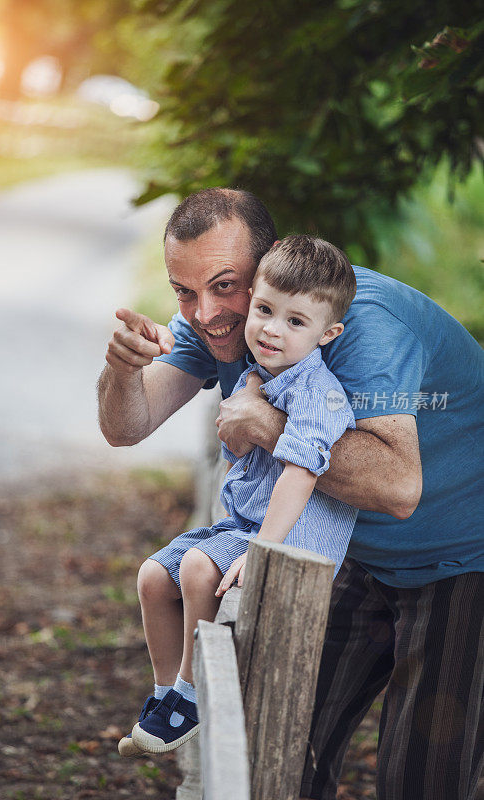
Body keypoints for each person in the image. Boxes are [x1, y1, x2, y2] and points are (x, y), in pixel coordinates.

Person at [98, 188, 484, 800]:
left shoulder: (363, 328)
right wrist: (122, 369)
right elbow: (127, 426)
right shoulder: (230, 320)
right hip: (349, 548)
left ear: (269, 266)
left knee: (421, 779)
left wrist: (263, 425)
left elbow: (399, 485)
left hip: (463, 557)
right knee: (276, 743)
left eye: (225, 285)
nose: (204, 313)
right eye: (184, 291)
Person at [117, 235, 358, 756]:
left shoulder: (320, 395)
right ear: (251, 300)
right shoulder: (258, 374)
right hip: (241, 526)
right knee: (153, 576)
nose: (272, 328)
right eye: (265, 310)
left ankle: (191, 693)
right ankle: (165, 695)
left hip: (286, 538)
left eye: (296, 322)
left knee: (200, 569)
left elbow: (301, 474)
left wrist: (264, 549)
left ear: (327, 333)